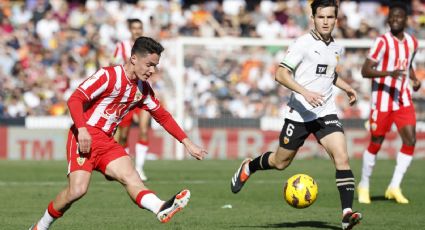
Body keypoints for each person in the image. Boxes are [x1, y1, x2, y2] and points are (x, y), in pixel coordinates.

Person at [30, 37, 207, 230]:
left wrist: (187, 143)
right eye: (149, 65)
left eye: (155, 66)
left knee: (131, 177)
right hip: (84, 137)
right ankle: (41, 226)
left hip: (106, 142)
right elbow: (75, 99)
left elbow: (162, 116)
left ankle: (160, 207)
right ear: (133, 59)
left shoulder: (143, 89)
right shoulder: (108, 76)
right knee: (77, 191)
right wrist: (81, 130)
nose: (152, 71)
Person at [230, 1, 362, 229]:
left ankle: (346, 214)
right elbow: (280, 74)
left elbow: (327, 74)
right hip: (299, 114)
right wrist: (305, 92)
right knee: (280, 163)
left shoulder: (336, 47)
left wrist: (347, 86)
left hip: (325, 111)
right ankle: (249, 167)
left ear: (336, 20)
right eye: (321, 17)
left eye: (330, 17)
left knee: (342, 156)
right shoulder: (302, 44)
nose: (326, 21)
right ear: (313, 18)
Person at [357, 2, 420, 204]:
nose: (394, 20)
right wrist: (388, 73)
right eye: (391, 17)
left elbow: (408, 65)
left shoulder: (412, 42)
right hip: (382, 101)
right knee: (376, 143)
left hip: (403, 99)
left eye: (398, 17)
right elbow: (365, 70)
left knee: (410, 140)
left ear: (405, 20)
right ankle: (364, 185)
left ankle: (394, 186)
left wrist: (414, 79)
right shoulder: (382, 42)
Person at [112, 18, 150, 181]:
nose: (137, 31)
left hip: (143, 93)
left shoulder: (148, 47)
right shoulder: (121, 46)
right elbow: (112, 63)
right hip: (127, 95)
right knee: (124, 136)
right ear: (130, 30)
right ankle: (126, 168)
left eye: (139, 28)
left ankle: (140, 168)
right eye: (134, 28)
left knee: (143, 129)